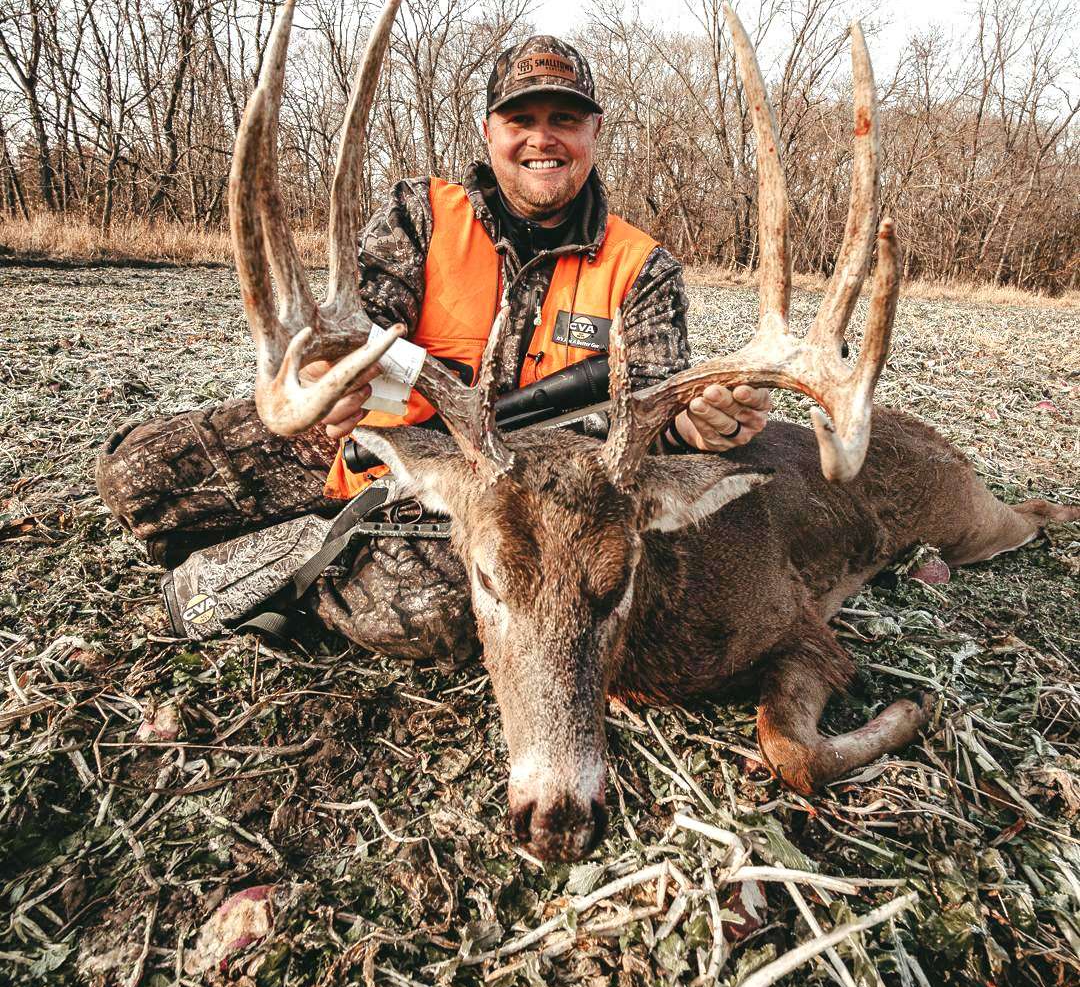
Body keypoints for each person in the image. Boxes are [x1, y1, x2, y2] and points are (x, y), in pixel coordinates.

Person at [96, 35, 771, 662]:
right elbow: (360, 319)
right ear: (489, 131)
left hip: (509, 501)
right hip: (365, 447)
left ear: (593, 131)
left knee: (436, 607)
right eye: (521, 120)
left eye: (564, 120)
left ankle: (295, 572)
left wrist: (694, 422)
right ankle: (317, 527)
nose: (543, 139)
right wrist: (328, 378)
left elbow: (650, 409)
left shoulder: (640, 267)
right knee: (134, 475)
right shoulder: (420, 213)